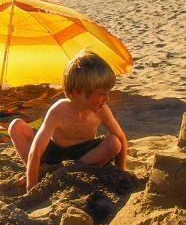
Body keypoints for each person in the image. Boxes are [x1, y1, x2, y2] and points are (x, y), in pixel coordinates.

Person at [7, 49, 127, 192]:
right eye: (102, 94)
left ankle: (63, 171)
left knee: (114, 143)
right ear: (78, 92)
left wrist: (121, 173)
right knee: (16, 126)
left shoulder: (101, 109)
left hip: (84, 156)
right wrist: (31, 186)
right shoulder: (58, 111)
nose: (107, 99)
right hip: (53, 153)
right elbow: (37, 149)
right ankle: (38, 171)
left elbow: (121, 138)